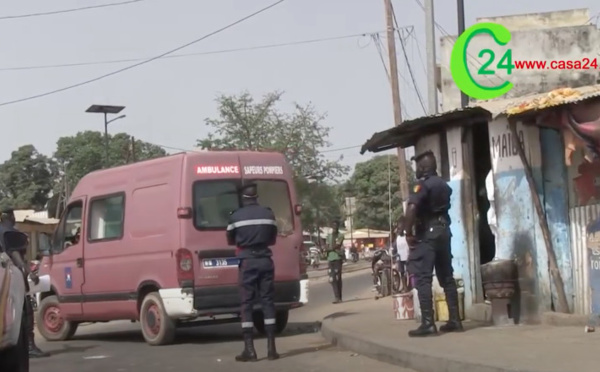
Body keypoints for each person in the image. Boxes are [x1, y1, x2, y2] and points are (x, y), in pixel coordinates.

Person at [403, 151, 463, 337]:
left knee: (423, 278)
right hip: (444, 232)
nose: (416, 170)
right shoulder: (443, 185)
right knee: (446, 277)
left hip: (427, 234)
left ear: (422, 168)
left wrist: (408, 231)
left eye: (417, 167)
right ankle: (455, 320)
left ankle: (428, 323)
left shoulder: (423, 185)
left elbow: (412, 208)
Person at [226, 184, 279, 362]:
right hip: (265, 260)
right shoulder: (268, 214)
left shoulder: (236, 216)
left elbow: (230, 240)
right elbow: (272, 238)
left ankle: (250, 350)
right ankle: (272, 349)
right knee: (268, 302)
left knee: (247, 303)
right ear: (256, 196)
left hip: (247, 261)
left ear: (243, 198)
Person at [0, 208, 49, 358]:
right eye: (13, 215)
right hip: (12, 278)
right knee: (26, 312)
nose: (15, 218)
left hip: (6, 278)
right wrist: (25, 269)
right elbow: (15, 253)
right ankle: (29, 346)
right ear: (7, 216)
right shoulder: (8, 233)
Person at [326, 220, 345, 304]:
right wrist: (328, 248)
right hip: (330, 258)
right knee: (332, 279)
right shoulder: (328, 236)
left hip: (337, 258)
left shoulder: (340, 235)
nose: (334, 228)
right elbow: (326, 246)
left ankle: (339, 297)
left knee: (337, 278)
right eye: (333, 226)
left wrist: (329, 248)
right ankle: (336, 296)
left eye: (336, 226)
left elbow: (337, 245)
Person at [396, 216, 410, 292]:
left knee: (409, 272)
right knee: (402, 273)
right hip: (400, 258)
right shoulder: (397, 237)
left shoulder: (406, 235)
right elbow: (395, 246)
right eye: (398, 228)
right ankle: (405, 287)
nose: (399, 229)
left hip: (407, 257)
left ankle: (410, 285)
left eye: (400, 227)